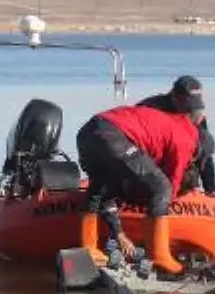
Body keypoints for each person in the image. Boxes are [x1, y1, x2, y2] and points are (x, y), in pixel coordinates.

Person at [75, 98, 204, 274]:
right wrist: (163, 208)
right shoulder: (186, 141)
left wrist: (118, 232)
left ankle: (89, 247)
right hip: (113, 134)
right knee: (161, 187)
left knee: (100, 186)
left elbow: (108, 194)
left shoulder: (170, 124)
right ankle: (159, 257)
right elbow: (170, 185)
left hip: (88, 132)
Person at [138, 75, 215, 196]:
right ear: (175, 97)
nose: (188, 110)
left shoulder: (195, 115)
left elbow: (205, 154)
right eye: (187, 105)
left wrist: (211, 188)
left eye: (193, 106)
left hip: (182, 169)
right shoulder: (149, 109)